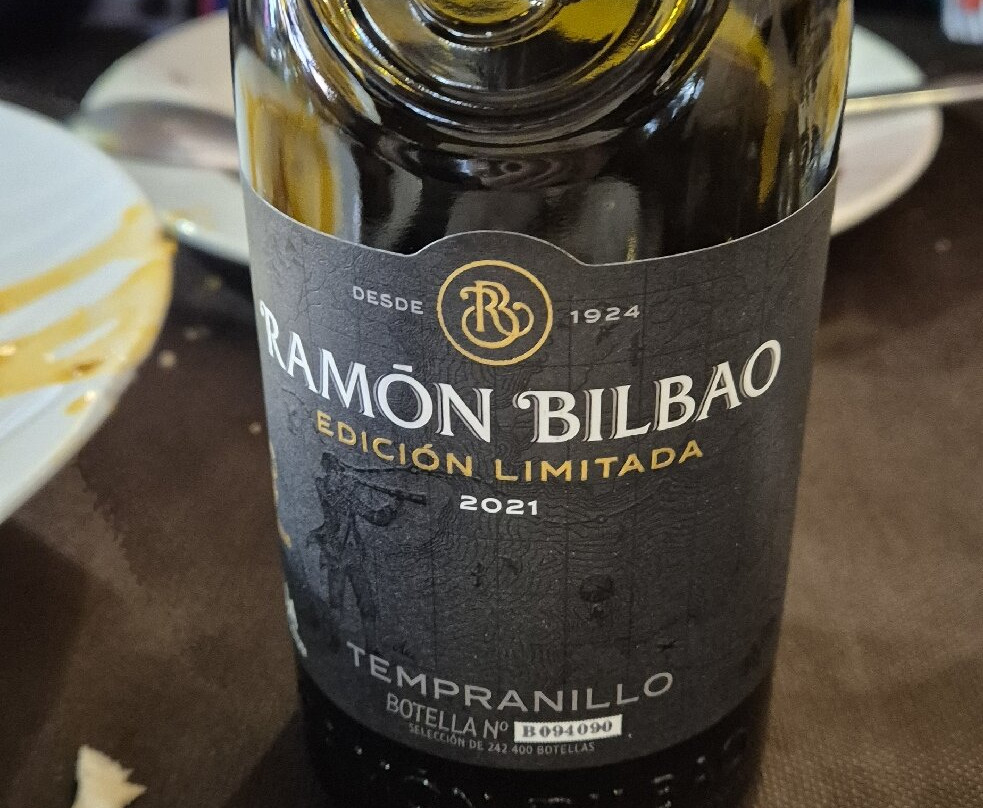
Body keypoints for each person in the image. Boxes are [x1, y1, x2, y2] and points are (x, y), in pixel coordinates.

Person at [306, 453, 404, 654]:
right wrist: (349, 486)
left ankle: (371, 647)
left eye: (339, 471)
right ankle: (334, 641)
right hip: (334, 555)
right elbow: (330, 494)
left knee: (367, 604)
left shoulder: (346, 495)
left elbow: (375, 517)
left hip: (353, 556)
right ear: (329, 472)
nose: (339, 475)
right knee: (335, 602)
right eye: (335, 471)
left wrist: (394, 505)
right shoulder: (327, 489)